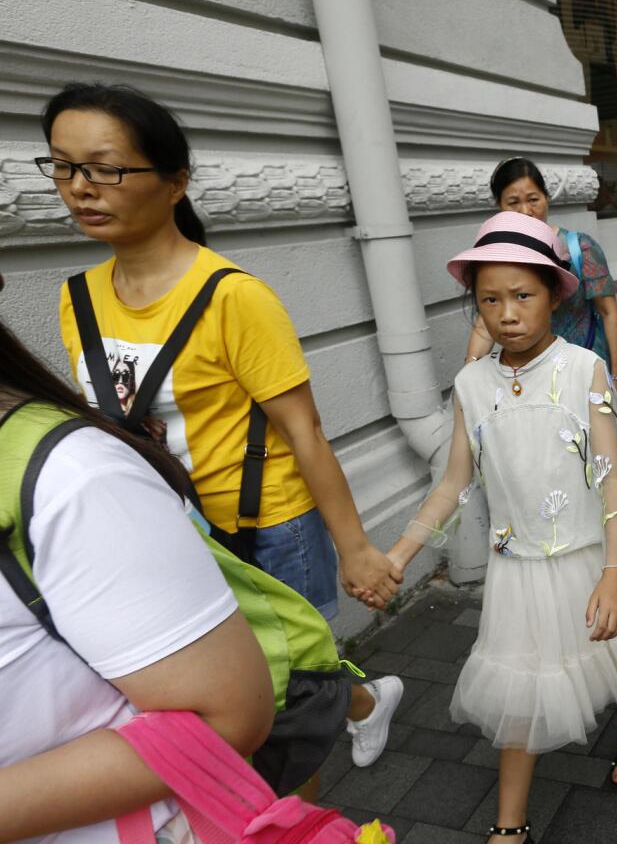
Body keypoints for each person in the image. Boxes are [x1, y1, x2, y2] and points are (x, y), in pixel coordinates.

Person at [39, 82, 403, 770]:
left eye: (106, 167)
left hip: (265, 526)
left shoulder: (235, 298)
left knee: (286, 693)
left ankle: (293, 836)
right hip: (171, 524)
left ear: (175, 182)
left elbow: (307, 434)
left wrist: (355, 549)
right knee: (253, 674)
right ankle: (362, 701)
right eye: (64, 166)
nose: (81, 187)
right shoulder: (76, 298)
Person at [387, 212, 617, 844]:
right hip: (518, 568)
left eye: (522, 295)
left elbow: (612, 476)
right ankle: (510, 829)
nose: (506, 314)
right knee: (521, 686)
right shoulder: (471, 385)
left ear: (555, 293)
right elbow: (454, 482)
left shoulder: (583, 370)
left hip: (593, 551)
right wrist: (402, 551)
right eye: (489, 299)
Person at [0, 297, 275, 844]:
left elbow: (229, 714)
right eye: (66, 184)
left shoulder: (70, 475)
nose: (85, 191)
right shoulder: (79, 297)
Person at [465, 157, 617, 407]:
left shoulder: (579, 248)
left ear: (546, 198)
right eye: (513, 202)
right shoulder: (497, 256)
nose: (525, 211)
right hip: (528, 379)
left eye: (533, 200)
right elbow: (486, 323)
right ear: (499, 205)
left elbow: (608, 312)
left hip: (585, 375)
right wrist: (470, 371)